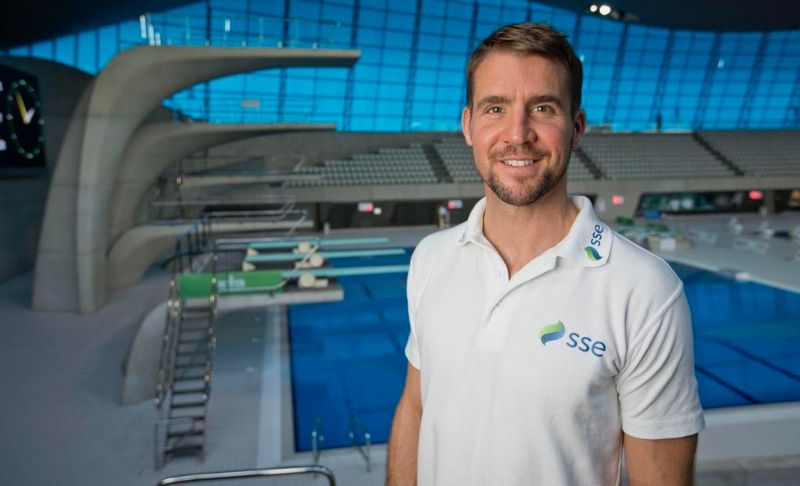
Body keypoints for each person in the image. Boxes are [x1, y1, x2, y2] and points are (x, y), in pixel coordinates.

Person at [387, 23, 704, 485]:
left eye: (542, 108)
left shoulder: (645, 291)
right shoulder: (432, 258)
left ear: (575, 128)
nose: (518, 134)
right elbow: (416, 405)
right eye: (495, 108)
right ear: (468, 125)